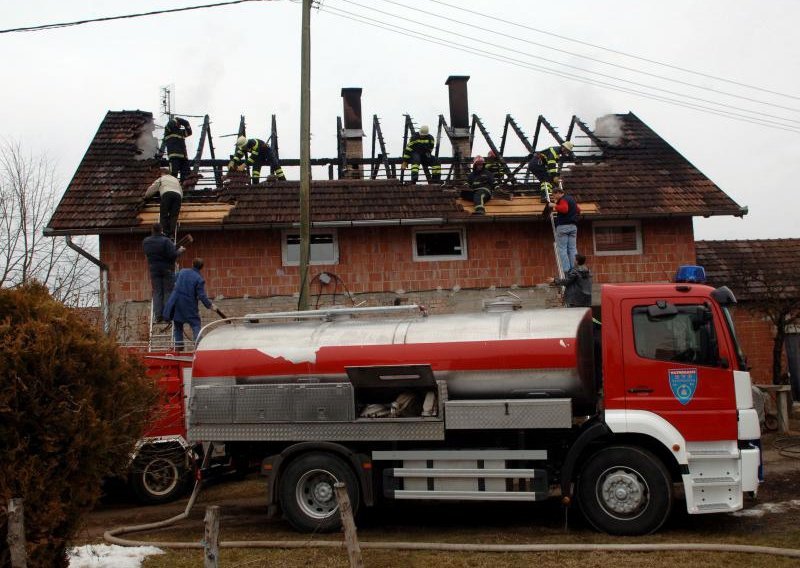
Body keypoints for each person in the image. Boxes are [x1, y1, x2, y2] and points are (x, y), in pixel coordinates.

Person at [163, 258, 217, 351]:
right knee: (195, 324)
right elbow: (202, 296)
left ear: (192, 264)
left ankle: (179, 348)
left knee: (178, 326)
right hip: (189, 305)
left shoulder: (183, 271)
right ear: (202, 267)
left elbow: (174, 278)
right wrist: (210, 305)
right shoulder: (199, 279)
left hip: (176, 303)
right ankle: (198, 347)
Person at [142, 223, 185, 323]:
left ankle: (158, 316)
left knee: (157, 292)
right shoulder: (166, 241)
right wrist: (180, 251)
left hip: (153, 270)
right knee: (167, 292)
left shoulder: (146, 242)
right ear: (161, 230)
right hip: (167, 269)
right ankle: (167, 315)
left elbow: (147, 254)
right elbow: (173, 255)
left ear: (152, 230)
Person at [144, 170, 183, 239]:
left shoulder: (162, 178)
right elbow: (181, 191)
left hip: (167, 194)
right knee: (173, 216)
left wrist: (146, 196)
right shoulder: (176, 180)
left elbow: (153, 188)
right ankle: (171, 234)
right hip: (178, 196)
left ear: (163, 173)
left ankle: (164, 233)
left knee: (164, 214)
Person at [552, 185, 580, 272]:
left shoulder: (563, 199)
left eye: (554, 195)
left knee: (562, 248)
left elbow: (564, 209)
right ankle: (575, 268)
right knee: (572, 248)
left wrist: (554, 205)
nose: (554, 197)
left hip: (563, 226)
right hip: (573, 227)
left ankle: (566, 270)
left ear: (558, 193)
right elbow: (578, 210)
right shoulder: (571, 199)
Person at [163, 116, 193, 183]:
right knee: (173, 175)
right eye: (179, 124)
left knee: (186, 176)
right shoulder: (169, 129)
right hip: (174, 157)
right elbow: (171, 123)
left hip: (184, 157)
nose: (179, 126)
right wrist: (178, 120)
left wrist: (186, 124)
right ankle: (173, 188)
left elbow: (189, 132)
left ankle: (183, 188)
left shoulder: (180, 132)